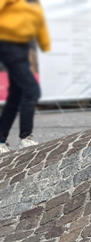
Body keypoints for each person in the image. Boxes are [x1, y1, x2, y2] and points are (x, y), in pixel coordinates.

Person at [0, 0, 49, 153]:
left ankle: (0, 140)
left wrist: (45, 43)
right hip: (8, 44)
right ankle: (26, 137)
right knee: (32, 90)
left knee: (16, 95)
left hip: (22, 47)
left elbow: (40, 23)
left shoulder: (34, 3)